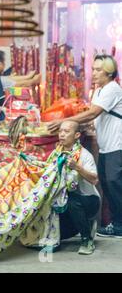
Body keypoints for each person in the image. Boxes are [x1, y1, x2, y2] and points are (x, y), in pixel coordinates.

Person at [48, 54, 122, 238]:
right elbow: (96, 117)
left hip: (117, 144)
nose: (94, 73)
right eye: (93, 69)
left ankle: (120, 225)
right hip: (106, 145)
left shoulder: (112, 88)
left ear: (109, 72)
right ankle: (116, 224)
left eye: (98, 70)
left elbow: (93, 113)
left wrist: (65, 121)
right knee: (106, 182)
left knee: (114, 183)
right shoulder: (99, 90)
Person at [55, 121, 100, 255]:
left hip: (88, 201)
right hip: (65, 201)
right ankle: (87, 225)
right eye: (60, 131)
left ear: (77, 135)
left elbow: (94, 179)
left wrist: (77, 167)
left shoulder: (85, 155)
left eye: (66, 131)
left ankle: (87, 240)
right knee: (59, 236)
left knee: (72, 199)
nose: (62, 134)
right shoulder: (56, 153)